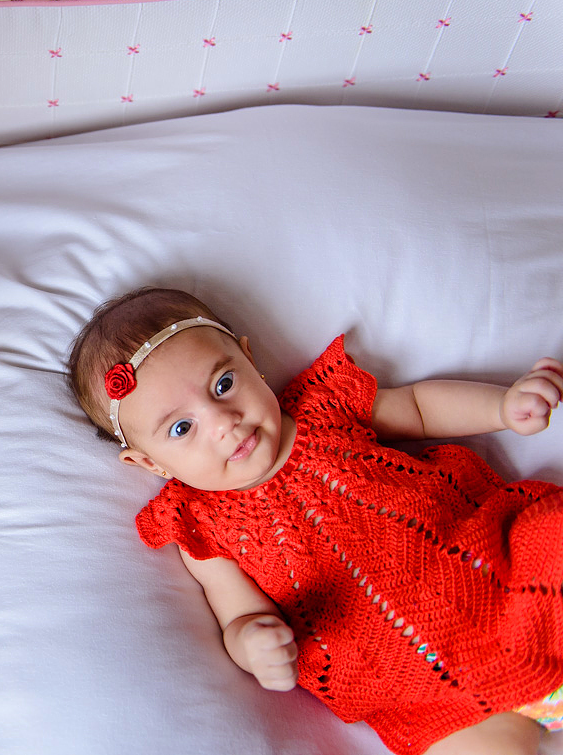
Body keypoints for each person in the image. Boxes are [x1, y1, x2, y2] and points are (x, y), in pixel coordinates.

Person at [67, 287, 563, 755]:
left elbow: (418, 406)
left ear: (250, 360)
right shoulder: (203, 527)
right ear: (151, 464)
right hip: (429, 696)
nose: (223, 422)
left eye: (223, 384)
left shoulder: (324, 407)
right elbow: (238, 614)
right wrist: (253, 642)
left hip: (507, 577)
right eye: (181, 427)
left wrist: (502, 406)